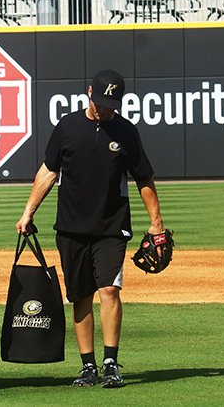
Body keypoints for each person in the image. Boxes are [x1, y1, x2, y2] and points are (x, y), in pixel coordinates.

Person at [15, 69, 167, 389]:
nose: (105, 108)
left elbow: (144, 179)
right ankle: (88, 366)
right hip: (70, 228)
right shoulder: (68, 127)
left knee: (109, 289)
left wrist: (157, 224)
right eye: (100, 101)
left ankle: (110, 362)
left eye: (111, 103)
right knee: (80, 296)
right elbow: (48, 171)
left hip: (111, 227)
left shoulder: (126, 132)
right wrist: (28, 212)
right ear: (88, 93)